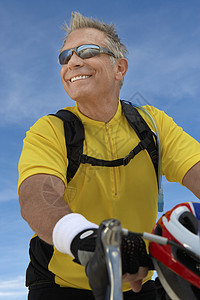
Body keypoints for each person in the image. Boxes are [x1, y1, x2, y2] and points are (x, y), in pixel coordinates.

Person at [18, 12, 200, 300]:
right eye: (65, 57)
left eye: (87, 51)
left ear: (120, 68)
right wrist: (86, 240)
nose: (72, 62)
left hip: (138, 284)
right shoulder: (50, 129)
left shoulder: (152, 124)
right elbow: (36, 195)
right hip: (61, 286)